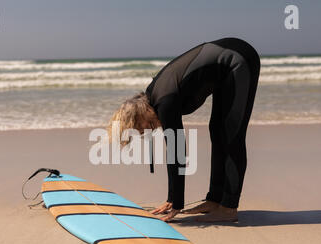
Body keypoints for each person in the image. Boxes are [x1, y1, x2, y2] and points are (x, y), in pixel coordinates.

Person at [108, 38, 260, 222]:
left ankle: (228, 207)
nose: (149, 130)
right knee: (217, 130)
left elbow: (177, 150)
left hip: (238, 60)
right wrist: (172, 198)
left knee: (230, 135)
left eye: (144, 127)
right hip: (226, 68)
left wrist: (177, 203)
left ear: (140, 113)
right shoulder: (153, 97)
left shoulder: (164, 102)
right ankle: (215, 200)